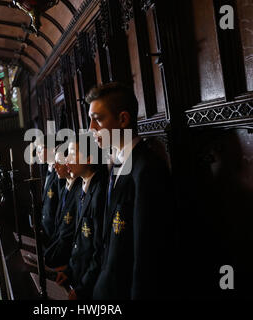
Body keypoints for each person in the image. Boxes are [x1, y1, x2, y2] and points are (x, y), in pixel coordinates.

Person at [88, 82, 175, 300]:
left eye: (97, 119)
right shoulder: (115, 164)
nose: (91, 128)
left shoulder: (146, 169)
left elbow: (146, 253)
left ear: (123, 119)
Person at [56, 134, 107, 300]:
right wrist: (69, 271)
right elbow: (78, 241)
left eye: (72, 154)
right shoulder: (82, 186)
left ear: (89, 158)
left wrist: (83, 288)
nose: (66, 160)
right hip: (77, 276)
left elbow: (99, 249)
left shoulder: (99, 191)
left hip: (91, 287)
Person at [44, 148, 82, 269]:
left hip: (68, 257)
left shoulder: (79, 189)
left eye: (59, 162)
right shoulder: (64, 187)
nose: (55, 166)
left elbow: (71, 232)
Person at [36, 141, 62, 245]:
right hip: (47, 228)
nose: (37, 154)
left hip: (55, 228)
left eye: (39, 150)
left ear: (51, 149)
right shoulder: (47, 170)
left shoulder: (59, 172)